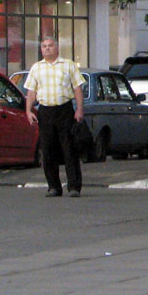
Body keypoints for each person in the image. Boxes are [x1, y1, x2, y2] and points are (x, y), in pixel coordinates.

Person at [23, 35, 86, 197]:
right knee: (48, 149)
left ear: (57, 48)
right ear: (41, 49)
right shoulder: (37, 68)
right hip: (45, 111)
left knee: (68, 148)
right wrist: (28, 111)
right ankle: (53, 187)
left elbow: (77, 88)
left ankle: (74, 187)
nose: (47, 48)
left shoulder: (68, 65)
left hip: (64, 110)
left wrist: (79, 109)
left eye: (50, 45)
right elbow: (31, 92)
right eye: (44, 46)